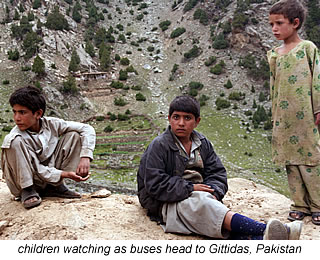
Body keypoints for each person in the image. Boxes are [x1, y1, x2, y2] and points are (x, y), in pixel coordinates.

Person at [137, 95, 302, 239]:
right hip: (164, 202)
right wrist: (191, 189)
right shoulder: (159, 145)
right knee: (203, 205)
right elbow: (154, 184)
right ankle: (266, 229)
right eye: (176, 117)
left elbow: (218, 173)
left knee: (209, 210)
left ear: (197, 121)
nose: (181, 123)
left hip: (200, 196)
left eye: (187, 118)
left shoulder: (202, 143)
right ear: (169, 118)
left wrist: (214, 192)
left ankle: (265, 240)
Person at [267, 0, 320, 225]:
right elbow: (273, 85)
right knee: (291, 161)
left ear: (295, 23)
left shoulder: (308, 48)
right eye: (271, 24)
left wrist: (318, 108)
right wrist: (274, 114)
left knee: (311, 160)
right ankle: (299, 204)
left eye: (279, 23)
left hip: (306, 115)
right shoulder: (274, 54)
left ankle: (317, 205)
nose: (274, 29)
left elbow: (317, 79)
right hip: (284, 118)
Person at [1, 86, 96, 209]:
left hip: (50, 177)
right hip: (28, 179)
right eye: (15, 112)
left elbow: (87, 128)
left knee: (74, 135)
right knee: (12, 142)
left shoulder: (51, 124)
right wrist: (64, 174)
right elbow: (37, 168)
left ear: (38, 114)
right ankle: (28, 191)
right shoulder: (17, 137)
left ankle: (54, 187)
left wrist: (86, 156)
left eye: (22, 112)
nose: (17, 118)